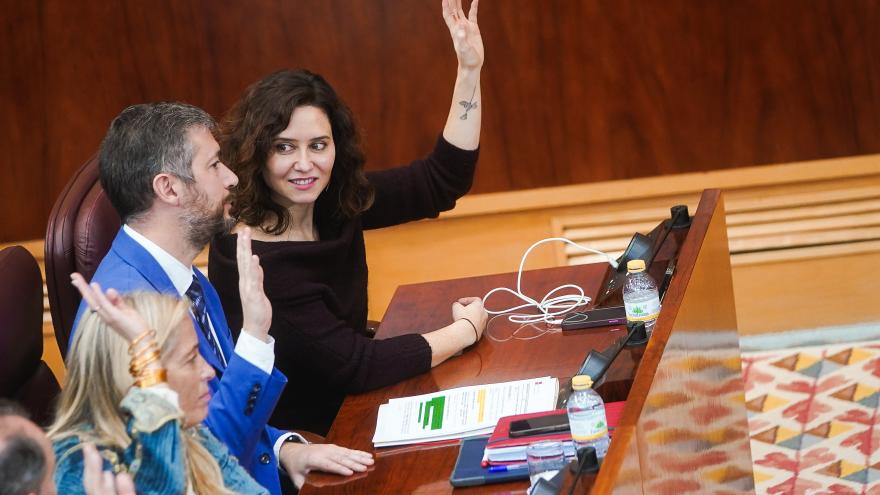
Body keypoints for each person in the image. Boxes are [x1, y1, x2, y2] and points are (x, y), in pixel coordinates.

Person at [208, 0, 488, 435]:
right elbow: (357, 365)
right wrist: (465, 330)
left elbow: (442, 181)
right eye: (285, 147)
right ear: (256, 154)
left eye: (318, 145)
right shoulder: (257, 261)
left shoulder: (331, 203)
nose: (305, 164)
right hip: (313, 440)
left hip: (360, 405)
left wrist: (469, 70)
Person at [73, 102, 372, 493]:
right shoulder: (131, 314)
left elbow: (215, 410)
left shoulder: (185, 275)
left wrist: (283, 449)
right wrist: (254, 336)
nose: (231, 178)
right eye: (214, 165)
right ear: (169, 188)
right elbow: (197, 469)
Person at [52, 276, 269, 494]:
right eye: (191, 358)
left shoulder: (191, 433)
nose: (208, 372)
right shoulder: (83, 468)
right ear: (135, 377)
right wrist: (147, 357)